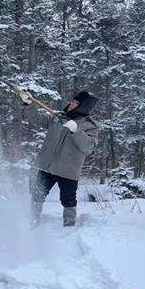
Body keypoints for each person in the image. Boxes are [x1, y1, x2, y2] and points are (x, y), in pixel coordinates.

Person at [20, 90, 99, 226]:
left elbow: (88, 147)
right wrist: (29, 104)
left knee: (68, 200)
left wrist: (76, 130)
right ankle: (32, 221)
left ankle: (68, 226)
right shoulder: (57, 117)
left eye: (76, 103)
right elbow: (37, 119)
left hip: (68, 170)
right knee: (37, 195)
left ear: (83, 107)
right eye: (72, 102)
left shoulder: (89, 126)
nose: (71, 104)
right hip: (47, 166)